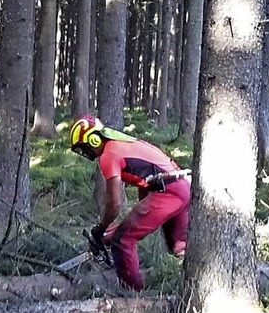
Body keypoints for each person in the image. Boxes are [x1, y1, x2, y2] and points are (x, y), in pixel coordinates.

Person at [69, 114, 190, 291]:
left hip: (168, 192)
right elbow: (146, 182)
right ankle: (185, 288)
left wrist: (101, 227)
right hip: (180, 187)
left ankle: (133, 296)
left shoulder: (108, 155)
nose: (85, 153)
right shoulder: (126, 143)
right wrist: (108, 233)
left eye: (84, 147)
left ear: (93, 140)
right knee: (179, 247)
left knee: (123, 240)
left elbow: (114, 203)